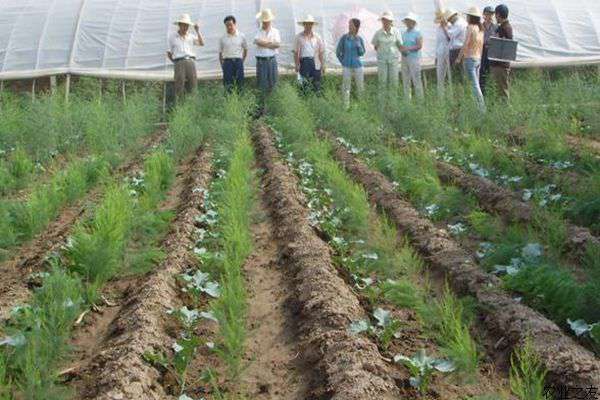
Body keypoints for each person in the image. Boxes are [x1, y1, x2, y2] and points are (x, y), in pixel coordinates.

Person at [167, 14, 204, 101]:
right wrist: (176, 62)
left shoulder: (191, 36)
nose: (185, 27)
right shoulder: (172, 37)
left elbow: (202, 43)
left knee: (193, 84)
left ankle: (192, 106)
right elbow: (169, 52)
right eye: (183, 25)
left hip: (190, 61)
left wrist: (198, 31)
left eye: (187, 25)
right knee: (179, 85)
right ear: (179, 25)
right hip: (179, 61)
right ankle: (179, 107)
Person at [457, 7, 485, 111]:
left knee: (474, 86)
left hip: (470, 58)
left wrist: (459, 58)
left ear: (471, 17)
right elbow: (481, 45)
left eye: (468, 16)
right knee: (476, 84)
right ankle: (477, 108)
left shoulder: (470, 27)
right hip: (478, 58)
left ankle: (481, 109)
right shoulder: (481, 29)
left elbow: (465, 44)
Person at [336, 18, 366, 109]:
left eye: (351, 25)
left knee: (360, 86)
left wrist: (359, 45)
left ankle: (361, 106)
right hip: (346, 66)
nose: (349, 26)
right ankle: (345, 107)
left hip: (358, 66)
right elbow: (338, 52)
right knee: (346, 87)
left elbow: (362, 53)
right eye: (349, 24)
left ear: (356, 27)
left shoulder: (359, 39)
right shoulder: (344, 38)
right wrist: (343, 61)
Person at [371, 12, 403, 93]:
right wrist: (382, 51)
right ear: (382, 21)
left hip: (393, 60)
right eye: (384, 20)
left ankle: (393, 104)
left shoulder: (396, 32)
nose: (385, 22)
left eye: (388, 20)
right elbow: (375, 46)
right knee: (382, 82)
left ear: (391, 21)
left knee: (394, 82)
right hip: (382, 61)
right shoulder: (378, 33)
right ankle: (382, 104)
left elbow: (400, 45)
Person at [294, 15, 325, 93]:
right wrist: (297, 64)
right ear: (304, 25)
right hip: (304, 62)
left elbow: (321, 51)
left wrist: (323, 64)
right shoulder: (298, 37)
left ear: (312, 25)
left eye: (310, 24)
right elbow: (296, 52)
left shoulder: (317, 37)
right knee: (304, 84)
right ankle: (305, 101)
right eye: (307, 24)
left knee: (316, 84)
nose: (309, 26)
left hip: (316, 62)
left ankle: (316, 101)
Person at [254, 9, 281, 97]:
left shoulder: (275, 31)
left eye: (267, 21)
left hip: (272, 60)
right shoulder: (258, 31)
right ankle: (263, 108)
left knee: (273, 83)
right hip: (261, 61)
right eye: (264, 21)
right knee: (262, 84)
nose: (266, 23)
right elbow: (257, 42)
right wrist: (270, 43)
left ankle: (273, 106)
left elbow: (277, 45)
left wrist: (264, 43)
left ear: (270, 21)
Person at [219, 15, 248, 92]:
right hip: (227, 62)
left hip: (238, 61)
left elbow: (245, 49)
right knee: (228, 84)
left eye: (230, 25)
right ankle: (229, 101)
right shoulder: (222, 38)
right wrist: (223, 65)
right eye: (227, 25)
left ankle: (240, 101)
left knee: (240, 83)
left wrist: (242, 61)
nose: (229, 27)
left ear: (235, 24)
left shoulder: (241, 36)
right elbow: (220, 53)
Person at [491, 4, 514, 99]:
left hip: (501, 64)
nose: (495, 17)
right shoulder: (503, 27)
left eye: (495, 14)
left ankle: (505, 112)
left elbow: (506, 46)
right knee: (499, 90)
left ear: (498, 14)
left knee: (502, 91)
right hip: (499, 64)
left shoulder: (505, 28)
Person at [400, 13, 424, 100]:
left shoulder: (417, 33)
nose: (407, 23)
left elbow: (419, 45)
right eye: (406, 21)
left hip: (414, 58)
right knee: (405, 79)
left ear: (413, 22)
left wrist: (408, 49)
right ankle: (407, 100)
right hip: (404, 58)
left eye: (409, 21)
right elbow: (401, 45)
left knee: (416, 79)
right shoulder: (404, 33)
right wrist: (402, 50)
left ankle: (420, 100)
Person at [480, 6, 497, 94]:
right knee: (482, 71)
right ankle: (482, 92)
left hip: (492, 51)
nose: (490, 16)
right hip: (482, 51)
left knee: (491, 71)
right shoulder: (480, 26)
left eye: (491, 14)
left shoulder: (496, 27)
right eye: (488, 14)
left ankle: (491, 91)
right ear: (484, 15)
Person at [435, 10, 452, 96]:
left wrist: (445, 28)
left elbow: (450, 38)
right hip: (440, 53)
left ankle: (452, 96)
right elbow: (437, 43)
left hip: (449, 53)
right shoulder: (438, 28)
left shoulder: (450, 26)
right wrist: (436, 55)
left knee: (450, 75)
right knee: (440, 75)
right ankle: (440, 97)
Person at [446, 10, 468, 76]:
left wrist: (445, 28)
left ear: (453, 16)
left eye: (449, 19)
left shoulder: (459, 23)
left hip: (459, 49)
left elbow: (451, 34)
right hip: (456, 49)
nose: (449, 21)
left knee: (461, 71)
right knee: (458, 71)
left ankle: (462, 85)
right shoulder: (456, 23)